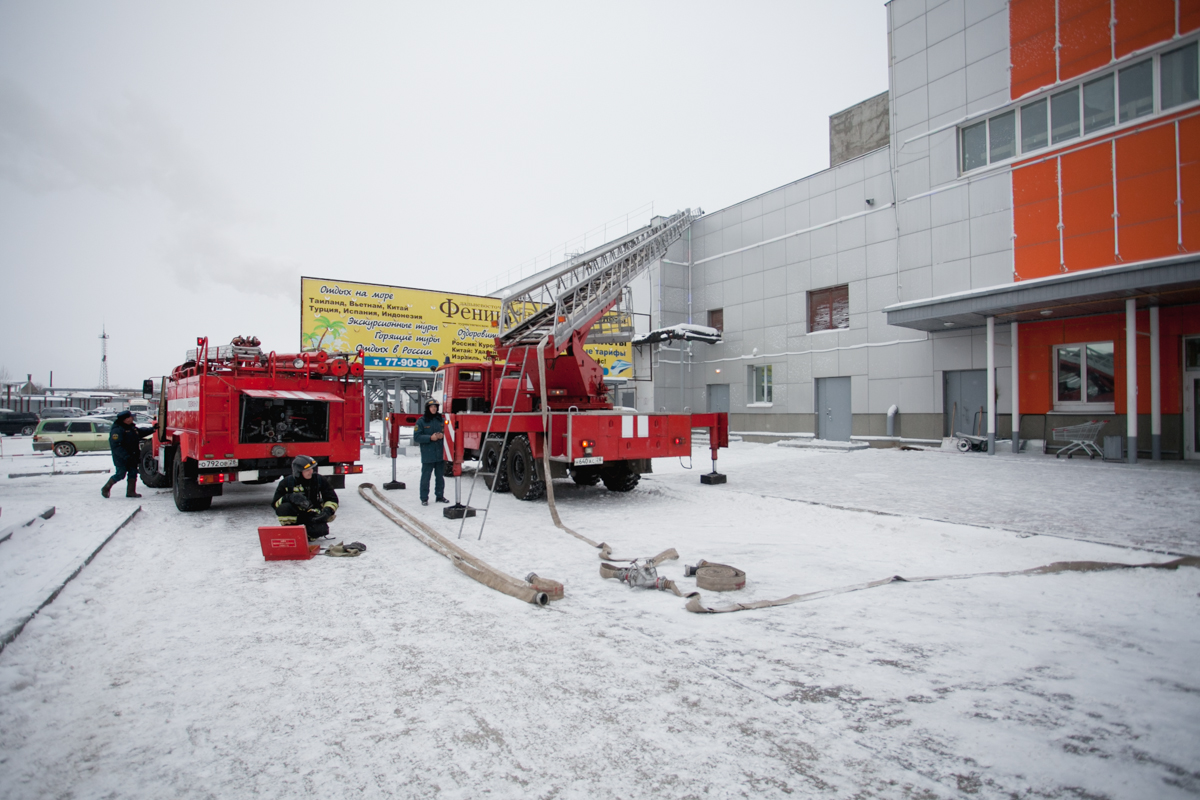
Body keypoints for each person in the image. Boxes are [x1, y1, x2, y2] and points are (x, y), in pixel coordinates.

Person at [272, 455, 340, 540]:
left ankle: (307, 534)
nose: (311, 472)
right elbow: (275, 504)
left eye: (312, 469)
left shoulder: (319, 480)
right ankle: (290, 531)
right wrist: (289, 497)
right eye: (307, 470)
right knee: (284, 508)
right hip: (295, 514)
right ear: (298, 472)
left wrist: (327, 511)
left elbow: (332, 499)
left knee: (320, 530)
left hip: (313, 514)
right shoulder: (287, 482)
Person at [102, 410, 155, 498]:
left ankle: (131, 492)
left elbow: (140, 432)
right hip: (121, 458)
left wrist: (153, 429)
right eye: (130, 417)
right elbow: (116, 446)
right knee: (120, 474)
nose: (132, 418)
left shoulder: (131, 427)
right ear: (125, 419)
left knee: (133, 473)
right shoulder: (117, 430)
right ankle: (106, 488)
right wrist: (126, 456)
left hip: (132, 455)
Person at [413, 399, 449, 506]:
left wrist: (443, 435)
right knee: (426, 477)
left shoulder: (441, 420)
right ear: (427, 408)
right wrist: (430, 438)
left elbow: (449, 432)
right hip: (428, 454)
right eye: (431, 407)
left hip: (439, 454)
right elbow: (417, 436)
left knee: (440, 477)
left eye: (435, 407)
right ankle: (424, 498)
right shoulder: (421, 421)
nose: (434, 409)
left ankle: (440, 496)